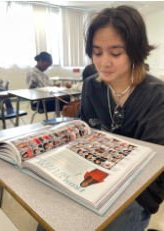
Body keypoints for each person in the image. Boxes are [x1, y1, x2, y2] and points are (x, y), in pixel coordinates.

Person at [80, 5, 164, 231]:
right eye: (97, 52)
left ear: (135, 51)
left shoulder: (156, 96)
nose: (103, 62)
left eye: (115, 53)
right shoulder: (90, 86)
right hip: (94, 179)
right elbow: (82, 134)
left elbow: (154, 169)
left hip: (138, 193)